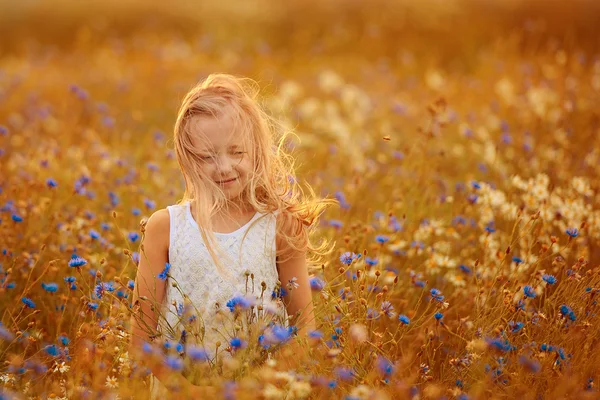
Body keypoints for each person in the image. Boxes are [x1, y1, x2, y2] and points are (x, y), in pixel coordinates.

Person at [128, 73, 338, 398]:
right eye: (208, 156)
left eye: (236, 152)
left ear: (255, 150)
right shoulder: (165, 227)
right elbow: (140, 342)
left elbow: (305, 332)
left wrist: (251, 388)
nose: (224, 167)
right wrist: (188, 391)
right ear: (187, 159)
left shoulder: (280, 225)